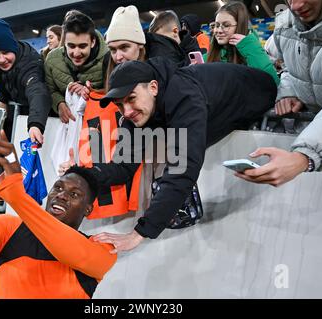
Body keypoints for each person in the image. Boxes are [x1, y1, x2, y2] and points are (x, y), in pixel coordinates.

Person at [61, 58, 277, 252]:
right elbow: (122, 168)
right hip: (218, 104)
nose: (126, 111)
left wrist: (139, 234)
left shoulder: (183, 96)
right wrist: (80, 173)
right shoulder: (134, 115)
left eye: (132, 99)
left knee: (188, 152)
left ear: (153, 87)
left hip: (262, 93)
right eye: (120, 104)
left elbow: (181, 172)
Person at [0, 130, 117, 298]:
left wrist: (17, 196)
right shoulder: (9, 229)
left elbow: (75, 253)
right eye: (58, 188)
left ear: (88, 209)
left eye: (74, 194)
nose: (61, 196)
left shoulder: (102, 246)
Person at [235, 0, 322, 187]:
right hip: (321, 142)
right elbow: (286, 67)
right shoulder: (286, 25)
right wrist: (290, 90)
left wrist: (305, 156)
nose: (296, 5)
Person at [0, 19, 51, 144]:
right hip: (18, 112)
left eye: (5, 52)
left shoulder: (30, 64)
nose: (1, 59)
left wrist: (35, 124)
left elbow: (37, 91)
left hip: (42, 115)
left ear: (13, 48)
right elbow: (3, 94)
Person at [44, 10, 107, 124]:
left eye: (82, 46)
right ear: (65, 42)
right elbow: (50, 89)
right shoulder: (52, 59)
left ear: (92, 42)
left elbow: (115, 92)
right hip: (68, 127)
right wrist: (59, 104)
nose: (76, 53)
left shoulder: (109, 58)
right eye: (71, 46)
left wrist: (91, 93)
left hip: (99, 126)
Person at [207, 1, 280, 85]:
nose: (218, 30)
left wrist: (250, 48)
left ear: (239, 26)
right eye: (216, 25)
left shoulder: (254, 51)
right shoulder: (208, 56)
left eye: (226, 25)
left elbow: (272, 84)